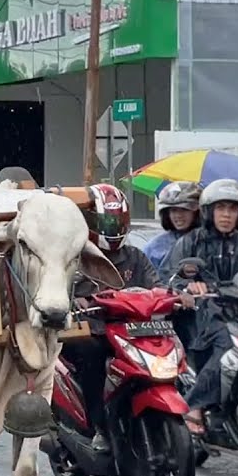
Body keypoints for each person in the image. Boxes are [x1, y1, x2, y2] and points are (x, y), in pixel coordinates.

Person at [164, 179, 238, 435]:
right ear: (208, 211)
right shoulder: (192, 242)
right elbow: (169, 277)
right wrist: (189, 287)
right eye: (221, 208)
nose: (226, 215)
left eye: (232, 209)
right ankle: (194, 404)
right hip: (204, 315)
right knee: (229, 344)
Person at [62, 183, 161, 452]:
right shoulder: (75, 257)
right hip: (90, 331)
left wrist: (173, 296)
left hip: (130, 332)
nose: (113, 228)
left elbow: (156, 286)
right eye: (106, 222)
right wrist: (74, 300)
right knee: (93, 357)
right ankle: (100, 427)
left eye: (117, 221)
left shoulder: (135, 257)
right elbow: (58, 290)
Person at [143, 181, 202, 272]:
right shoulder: (154, 247)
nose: (178, 215)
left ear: (197, 212)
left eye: (184, 209)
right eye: (174, 210)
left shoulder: (211, 243)